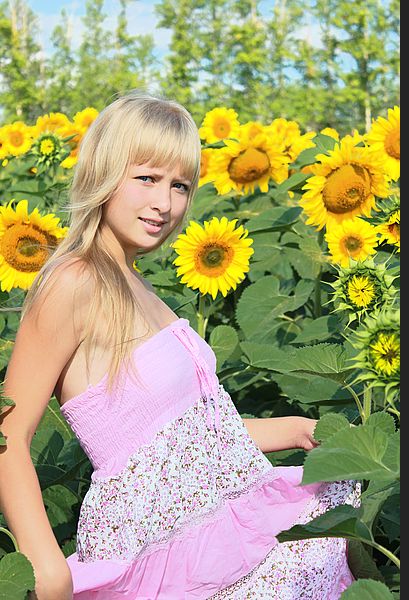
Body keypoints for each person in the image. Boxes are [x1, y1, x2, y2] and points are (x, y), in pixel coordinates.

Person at [0, 91, 360, 600]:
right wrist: (47, 565)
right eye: (146, 178)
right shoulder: (75, 281)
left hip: (216, 524)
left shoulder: (136, 282)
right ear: (104, 171)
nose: (164, 203)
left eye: (180, 186)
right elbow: (8, 433)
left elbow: (186, 443)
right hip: (165, 548)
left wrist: (296, 429)